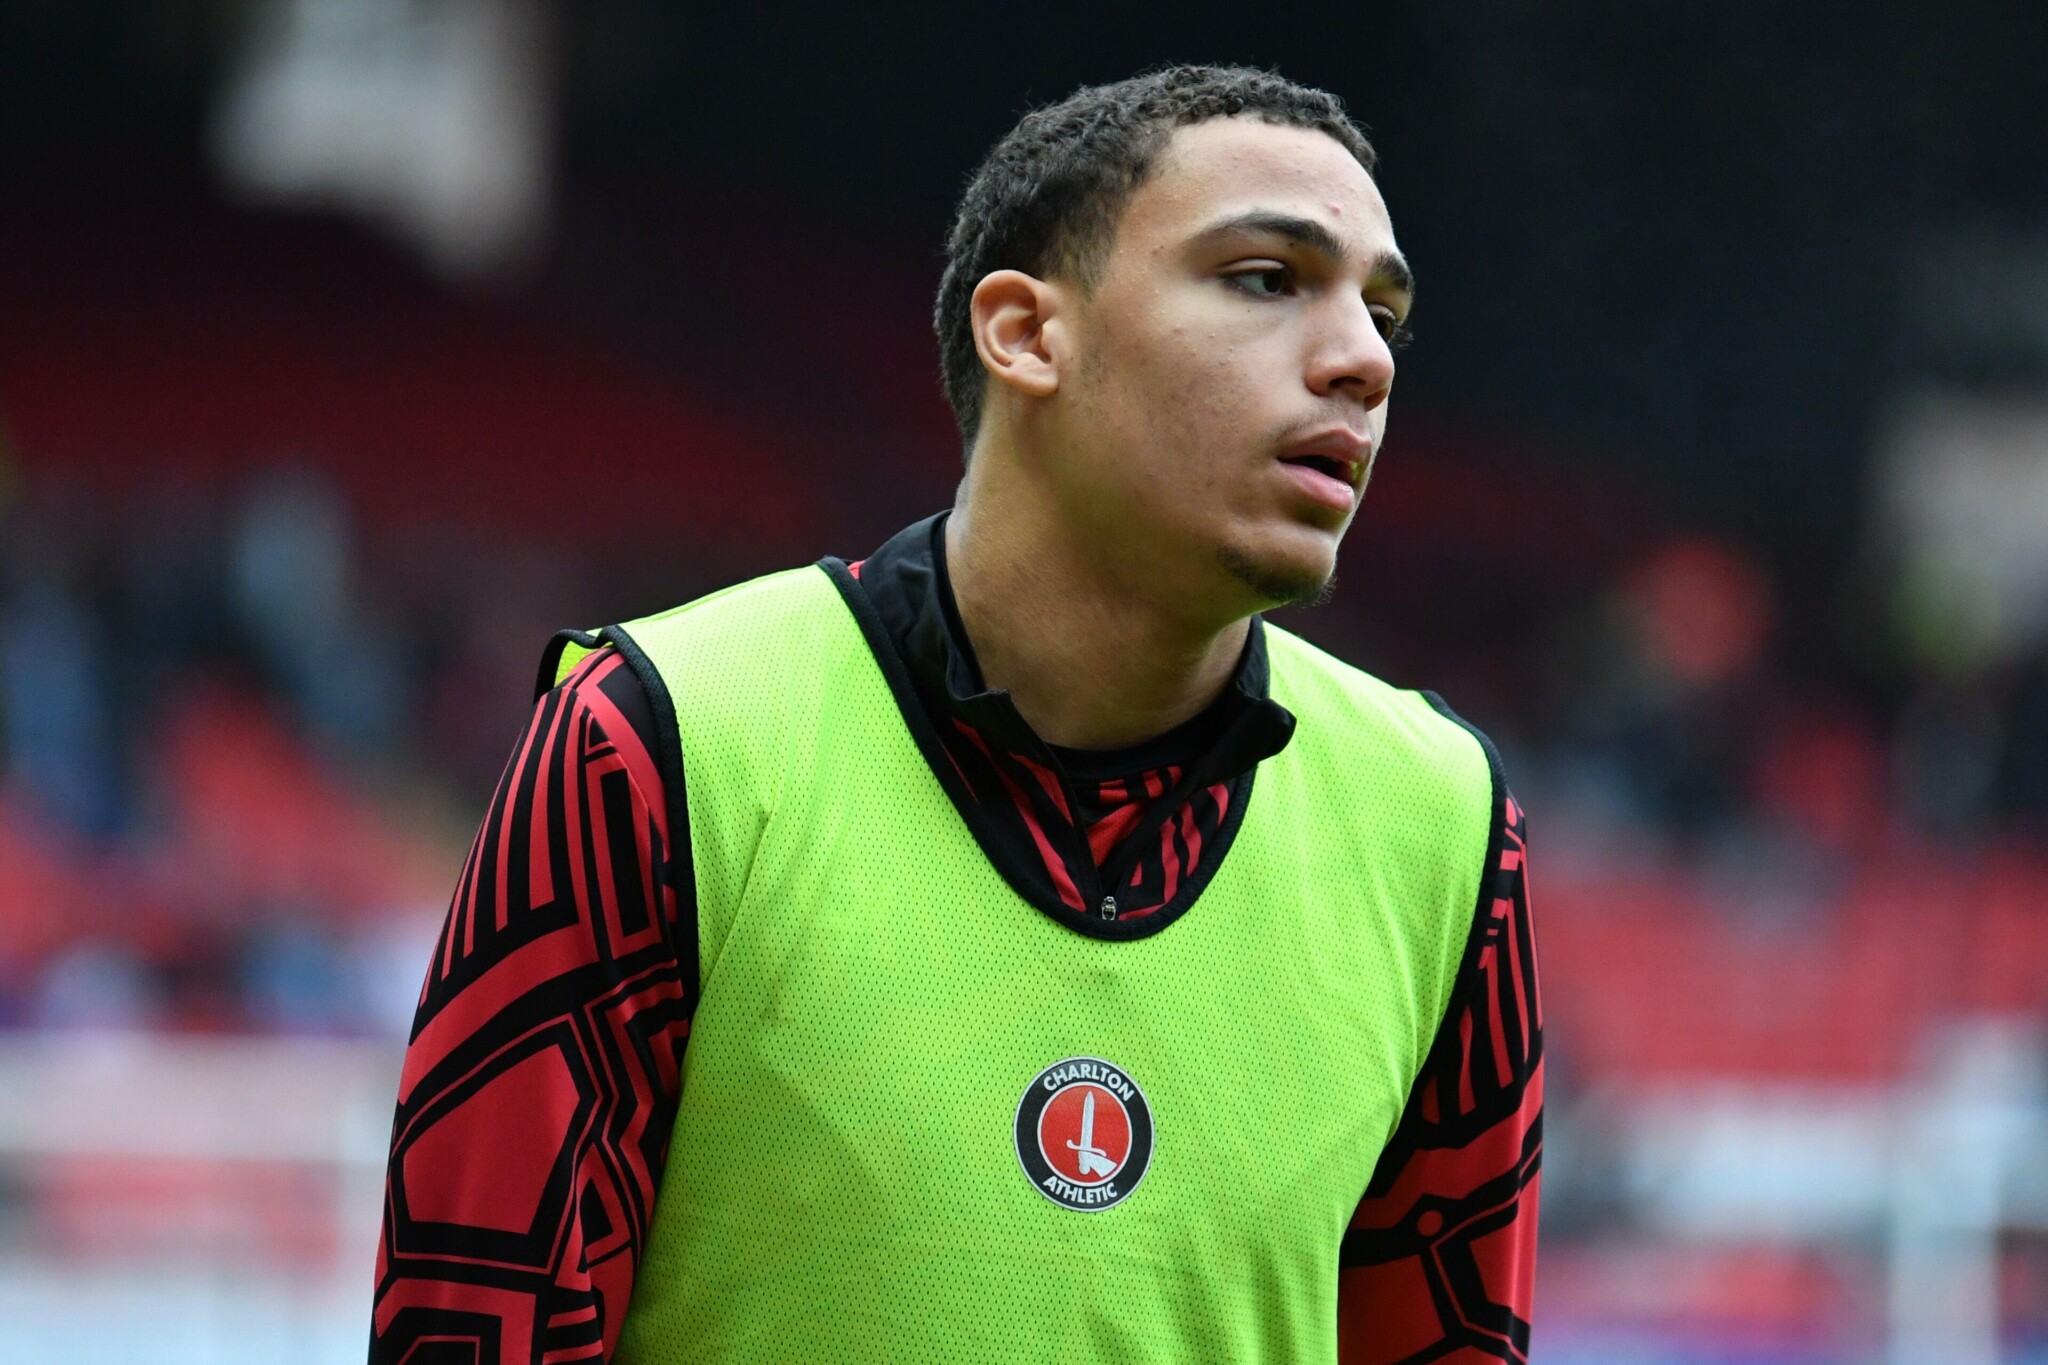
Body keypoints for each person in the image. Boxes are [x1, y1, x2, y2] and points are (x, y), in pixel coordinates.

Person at [370, 64, 1541, 1365]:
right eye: (1267, 278)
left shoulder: (1443, 825)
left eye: (1385, 315)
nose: (1364, 361)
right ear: (1028, 333)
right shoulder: (656, 742)